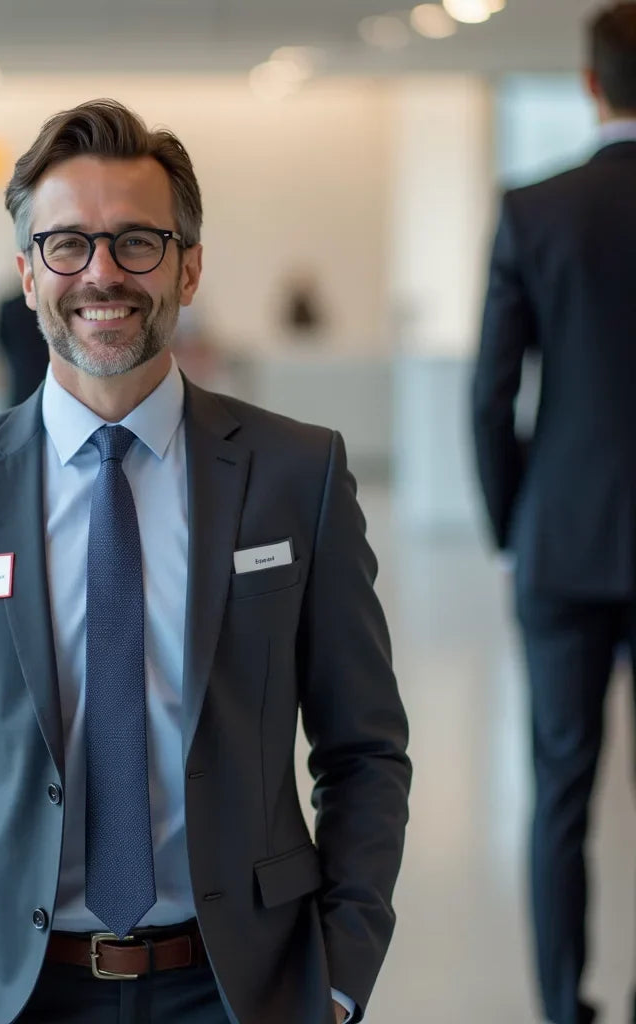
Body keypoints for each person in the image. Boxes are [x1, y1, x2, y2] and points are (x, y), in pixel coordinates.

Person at [0, 99, 410, 1024]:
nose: (102, 273)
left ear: (189, 266)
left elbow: (364, 750)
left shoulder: (297, 475)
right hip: (0, 991)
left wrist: (338, 979)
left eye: (137, 242)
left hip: (240, 988)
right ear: (27, 274)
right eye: (66, 244)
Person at [471, 6, 636, 1023]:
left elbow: (492, 393)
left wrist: (510, 524)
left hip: (562, 543)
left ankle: (561, 1009)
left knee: (560, 793)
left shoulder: (534, 209)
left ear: (589, 82)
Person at [0, 287, 50, 407]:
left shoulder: (10, 308)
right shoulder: (50, 307)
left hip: (21, 394)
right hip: (44, 393)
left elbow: (1, 350)